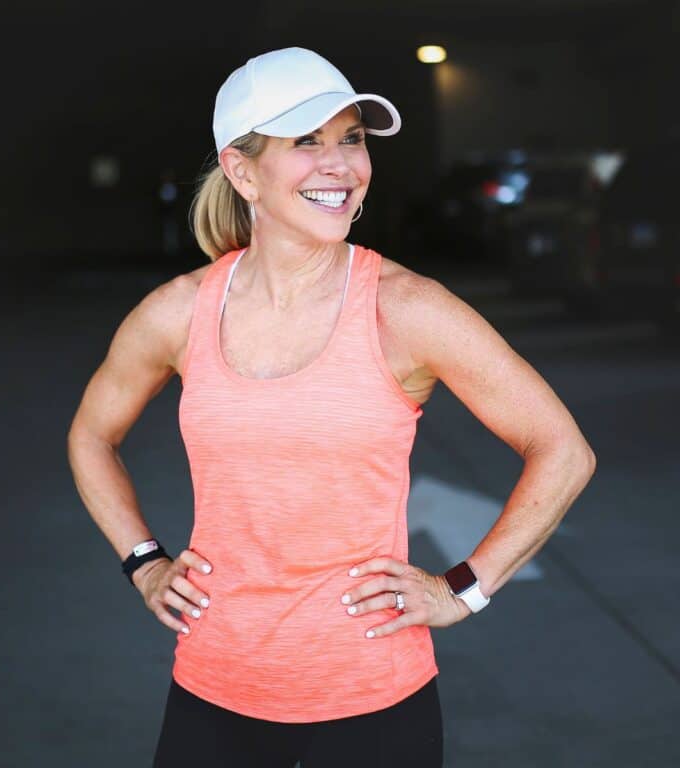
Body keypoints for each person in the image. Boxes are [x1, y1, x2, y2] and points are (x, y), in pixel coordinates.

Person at [67, 47, 596, 767]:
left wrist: (462, 590)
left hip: (376, 702)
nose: (341, 166)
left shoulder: (407, 308)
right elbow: (92, 436)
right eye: (307, 142)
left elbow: (562, 449)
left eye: (352, 139)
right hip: (215, 688)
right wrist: (144, 562)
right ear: (242, 170)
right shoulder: (177, 313)